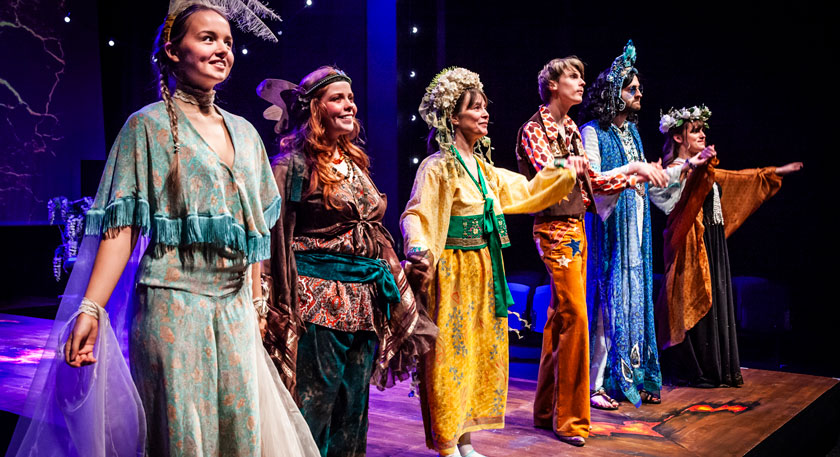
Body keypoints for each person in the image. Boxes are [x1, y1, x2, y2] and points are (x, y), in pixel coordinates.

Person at [6, 4, 320, 456]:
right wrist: (91, 309)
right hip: (172, 302)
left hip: (233, 308)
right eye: (208, 38)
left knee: (240, 429)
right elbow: (121, 230)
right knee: (183, 435)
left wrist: (255, 302)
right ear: (173, 52)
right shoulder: (147, 127)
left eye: (228, 42)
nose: (222, 50)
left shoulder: (246, 134)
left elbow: (254, 235)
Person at [257, 66, 437, 457]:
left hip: (363, 302)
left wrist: (398, 271)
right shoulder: (292, 165)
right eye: (337, 98)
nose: (349, 105)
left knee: (353, 408)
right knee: (314, 406)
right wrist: (273, 304)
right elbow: (274, 240)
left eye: (350, 98)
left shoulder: (354, 161)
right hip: (315, 301)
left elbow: (369, 233)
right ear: (315, 108)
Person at [401, 67, 576, 457]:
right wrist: (418, 248)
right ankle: (448, 443)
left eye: (483, 107)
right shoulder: (438, 166)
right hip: (452, 271)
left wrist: (565, 168)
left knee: (480, 353)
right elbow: (417, 214)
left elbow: (527, 191)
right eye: (474, 108)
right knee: (450, 355)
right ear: (453, 118)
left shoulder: (482, 169)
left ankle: (466, 441)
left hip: (483, 267)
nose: (483, 114)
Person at [516, 57, 668, 445]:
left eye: (582, 77)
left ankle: (545, 410)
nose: (581, 83)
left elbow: (595, 182)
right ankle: (571, 420)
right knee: (578, 321)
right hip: (552, 230)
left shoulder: (570, 128)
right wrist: (581, 165)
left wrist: (633, 170)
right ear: (552, 85)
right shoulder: (535, 129)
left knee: (558, 319)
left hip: (575, 229)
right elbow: (548, 174)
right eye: (573, 77)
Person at [650, 105, 802, 388]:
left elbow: (740, 178)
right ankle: (692, 369)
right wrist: (692, 169)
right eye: (696, 130)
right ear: (679, 137)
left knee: (715, 298)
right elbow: (663, 197)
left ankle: (716, 368)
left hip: (712, 244)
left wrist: (778, 171)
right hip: (689, 245)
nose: (703, 134)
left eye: (703, 130)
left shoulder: (707, 169)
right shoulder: (673, 170)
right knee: (684, 299)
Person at [579, 40, 664, 408]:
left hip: (636, 232)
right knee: (605, 302)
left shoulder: (633, 134)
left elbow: (643, 180)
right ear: (615, 93)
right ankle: (596, 384)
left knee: (633, 300)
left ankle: (631, 374)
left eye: (639, 87)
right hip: (609, 229)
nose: (639, 92)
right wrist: (631, 172)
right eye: (632, 88)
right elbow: (594, 179)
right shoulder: (592, 132)